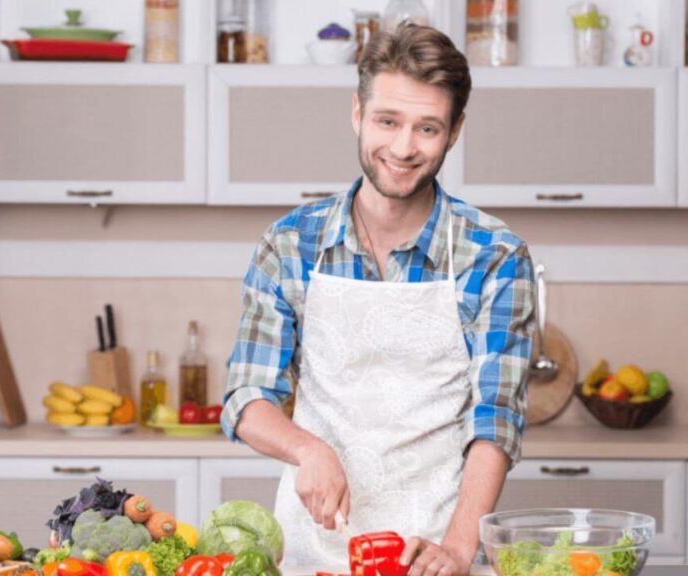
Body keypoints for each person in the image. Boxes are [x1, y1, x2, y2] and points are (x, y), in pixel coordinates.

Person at [221, 23, 534, 576]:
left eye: (428, 128)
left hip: (433, 555)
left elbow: (496, 418)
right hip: (309, 552)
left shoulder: (496, 256)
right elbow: (247, 398)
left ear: (455, 131)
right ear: (357, 112)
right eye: (388, 121)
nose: (403, 147)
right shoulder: (291, 244)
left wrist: (460, 548)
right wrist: (307, 450)